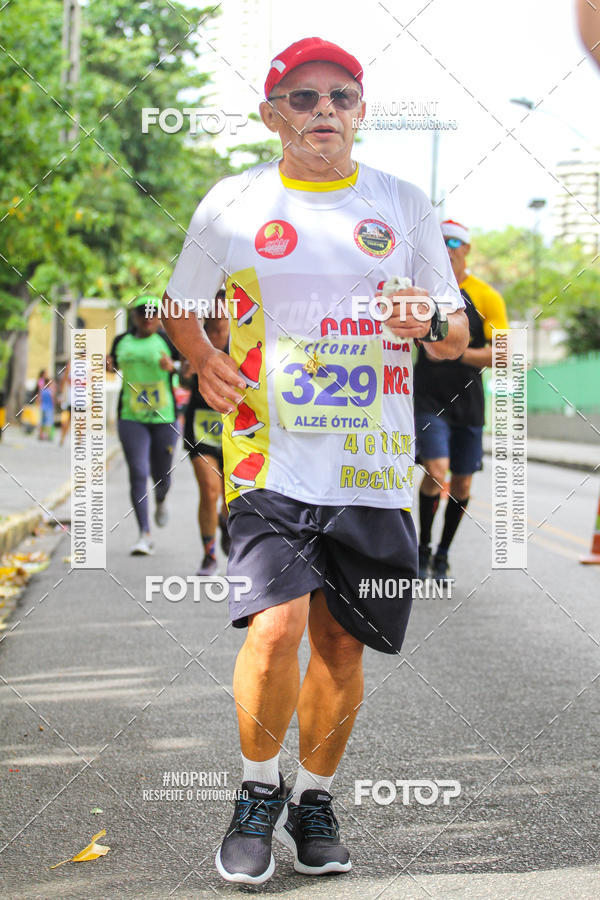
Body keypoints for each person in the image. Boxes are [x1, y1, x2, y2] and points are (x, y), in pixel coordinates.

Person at [162, 36, 469, 885]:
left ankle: (316, 801)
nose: (323, 110)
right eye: (303, 97)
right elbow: (180, 303)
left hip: (371, 462)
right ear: (272, 116)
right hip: (267, 456)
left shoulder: (403, 203)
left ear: (362, 112)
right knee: (276, 629)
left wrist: (424, 320)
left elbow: (453, 332)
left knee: (341, 642)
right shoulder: (234, 200)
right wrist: (202, 356)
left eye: (341, 96)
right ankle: (257, 794)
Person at [414, 219, 509, 582]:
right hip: (428, 399)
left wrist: (455, 350)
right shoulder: (424, 292)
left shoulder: (485, 296)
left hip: (469, 403)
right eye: (441, 241)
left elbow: (503, 353)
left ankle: (443, 553)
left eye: (454, 242)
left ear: (467, 248)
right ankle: (422, 549)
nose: (447, 248)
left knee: (463, 484)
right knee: (436, 472)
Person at [108, 295, 180, 555]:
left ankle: (161, 498)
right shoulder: (121, 341)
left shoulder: (170, 340)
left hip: (164, 417)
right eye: (143, 313)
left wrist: (174, 366)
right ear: (135, 316)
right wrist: (107, 365)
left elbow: (188, 371)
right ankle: (144, 534)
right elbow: (111, 364)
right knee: (138, 471)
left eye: (153, 313)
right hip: (131, 416)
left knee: (162, 476)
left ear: (159, 317)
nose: (148, 318)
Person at [182, 290, 231, 575]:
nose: (219, 310)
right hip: (201, 424)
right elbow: (180, 378)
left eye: (225, 304)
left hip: (236, 427)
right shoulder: (193, 336)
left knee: (231, 496)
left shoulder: (244, 337)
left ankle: (225, 521)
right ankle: (209, 555)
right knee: (209, 489)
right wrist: (184, 372)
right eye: (215, 304)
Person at [37, 370, 55, 441]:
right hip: (49, 408)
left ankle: (41, 435)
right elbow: (52, 399)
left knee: (42, 422)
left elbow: (39, 399)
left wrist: (39, 405)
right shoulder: (50, 391)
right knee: (49, 422)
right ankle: (48, 435)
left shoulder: (42, 390)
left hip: (43, 407)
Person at [58, 361, 71, 446]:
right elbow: (63, 382)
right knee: (66, 420)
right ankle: (62, 437)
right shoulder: (70, 367)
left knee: (67, 420)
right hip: (68, 400)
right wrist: (62, 395)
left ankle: (63, 438)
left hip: (75, 400)